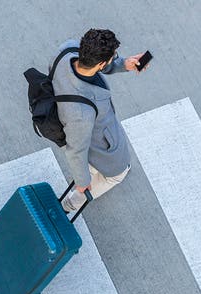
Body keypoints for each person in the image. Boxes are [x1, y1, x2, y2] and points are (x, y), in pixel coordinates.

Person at [50, 28, 150, 212]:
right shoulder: (81, 114)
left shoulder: (67, 50)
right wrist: (82, 183)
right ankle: (69, 205)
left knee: (89, 164)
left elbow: (95, 67)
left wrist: (124, 64)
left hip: (70, 116)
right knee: (117, 173)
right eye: (114, 56)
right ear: (102, 63)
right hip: (88, 133)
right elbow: (76, 150)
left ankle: (89, 173)